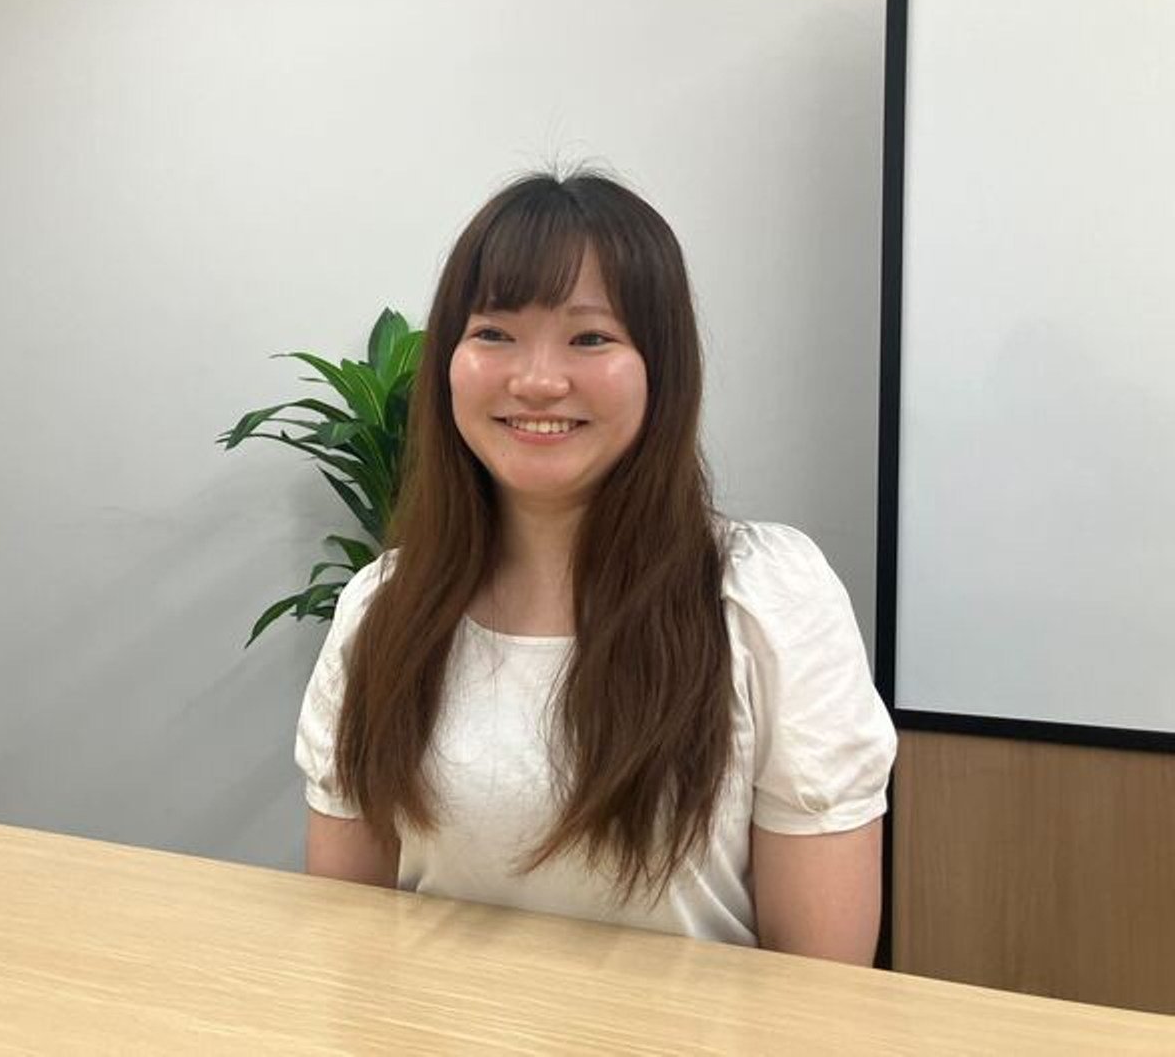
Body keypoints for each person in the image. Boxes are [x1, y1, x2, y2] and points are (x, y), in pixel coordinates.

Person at [294, 170, 898, 966]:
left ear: (661, 366)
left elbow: (820, 985)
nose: (538, 380)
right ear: (447, 361)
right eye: (494, 333)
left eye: (590, 338)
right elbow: (349, 944)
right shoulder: (384, 608)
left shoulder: (767, 600)